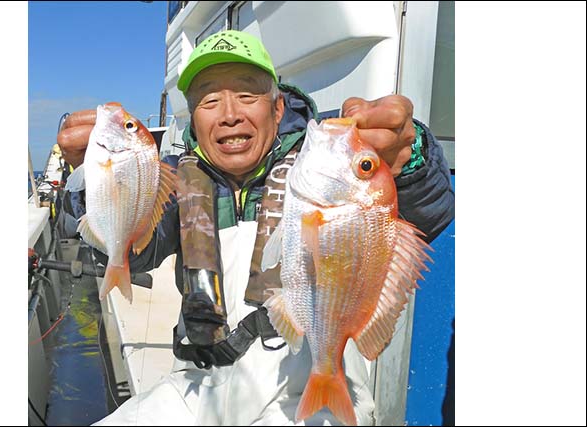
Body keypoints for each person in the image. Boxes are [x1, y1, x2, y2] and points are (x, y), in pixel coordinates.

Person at [57, 30, 454, 426]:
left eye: (247, 95)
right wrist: (91, 183)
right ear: (194, 118)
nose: (229, 113)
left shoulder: (321, 159)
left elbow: (426, 212)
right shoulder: (174, 178)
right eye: (210, 100)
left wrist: (409, 157)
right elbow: (136, 250)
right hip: (196, 387)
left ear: (278, 108)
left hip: (303, 384)